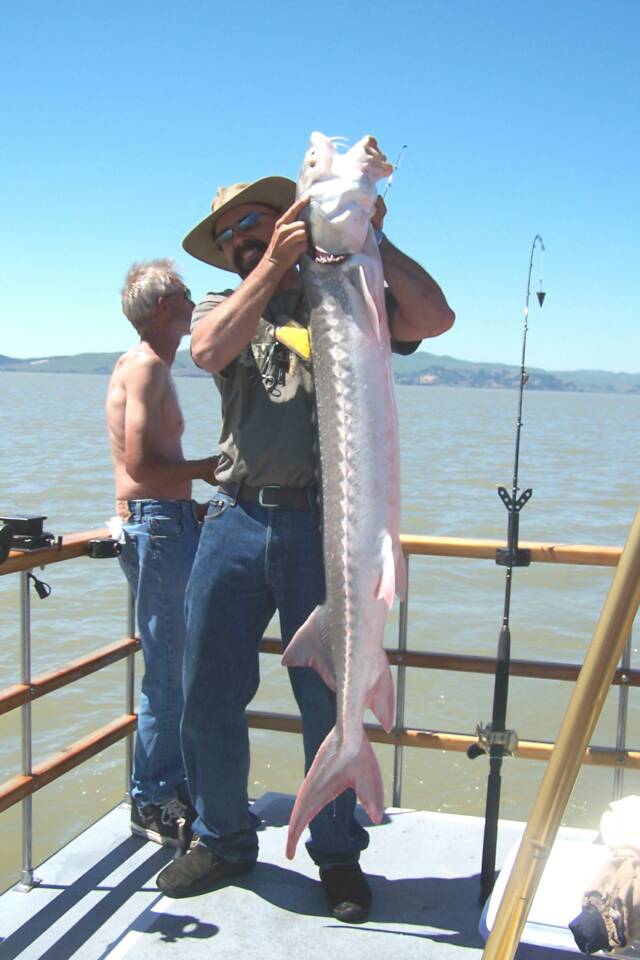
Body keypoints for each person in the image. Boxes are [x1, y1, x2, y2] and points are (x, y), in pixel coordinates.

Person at [156, 148, 455, 919]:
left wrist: (372, 237)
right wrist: (269, 266)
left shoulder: (354, 293)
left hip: (330, 529)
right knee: (208, 693)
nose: (239, 241)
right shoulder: (227, 302)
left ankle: (338, 856)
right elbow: (207, 351)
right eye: (228, 236)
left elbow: (435, 318)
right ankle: (223, 839)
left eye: (251, 223)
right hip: (234, 520)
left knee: (327, 695)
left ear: (289, 215)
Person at [106, 258, 218, 847]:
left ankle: (171, 783)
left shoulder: (149, 365)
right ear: (163, 307)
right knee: (168, 671)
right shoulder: (147, 366)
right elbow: (141, 468)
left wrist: (189, 500)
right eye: (184, 292)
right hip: (158, 527)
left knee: (176, 665)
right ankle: (150, 798)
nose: (194, 299)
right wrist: (209, 469)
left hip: (166, 523)